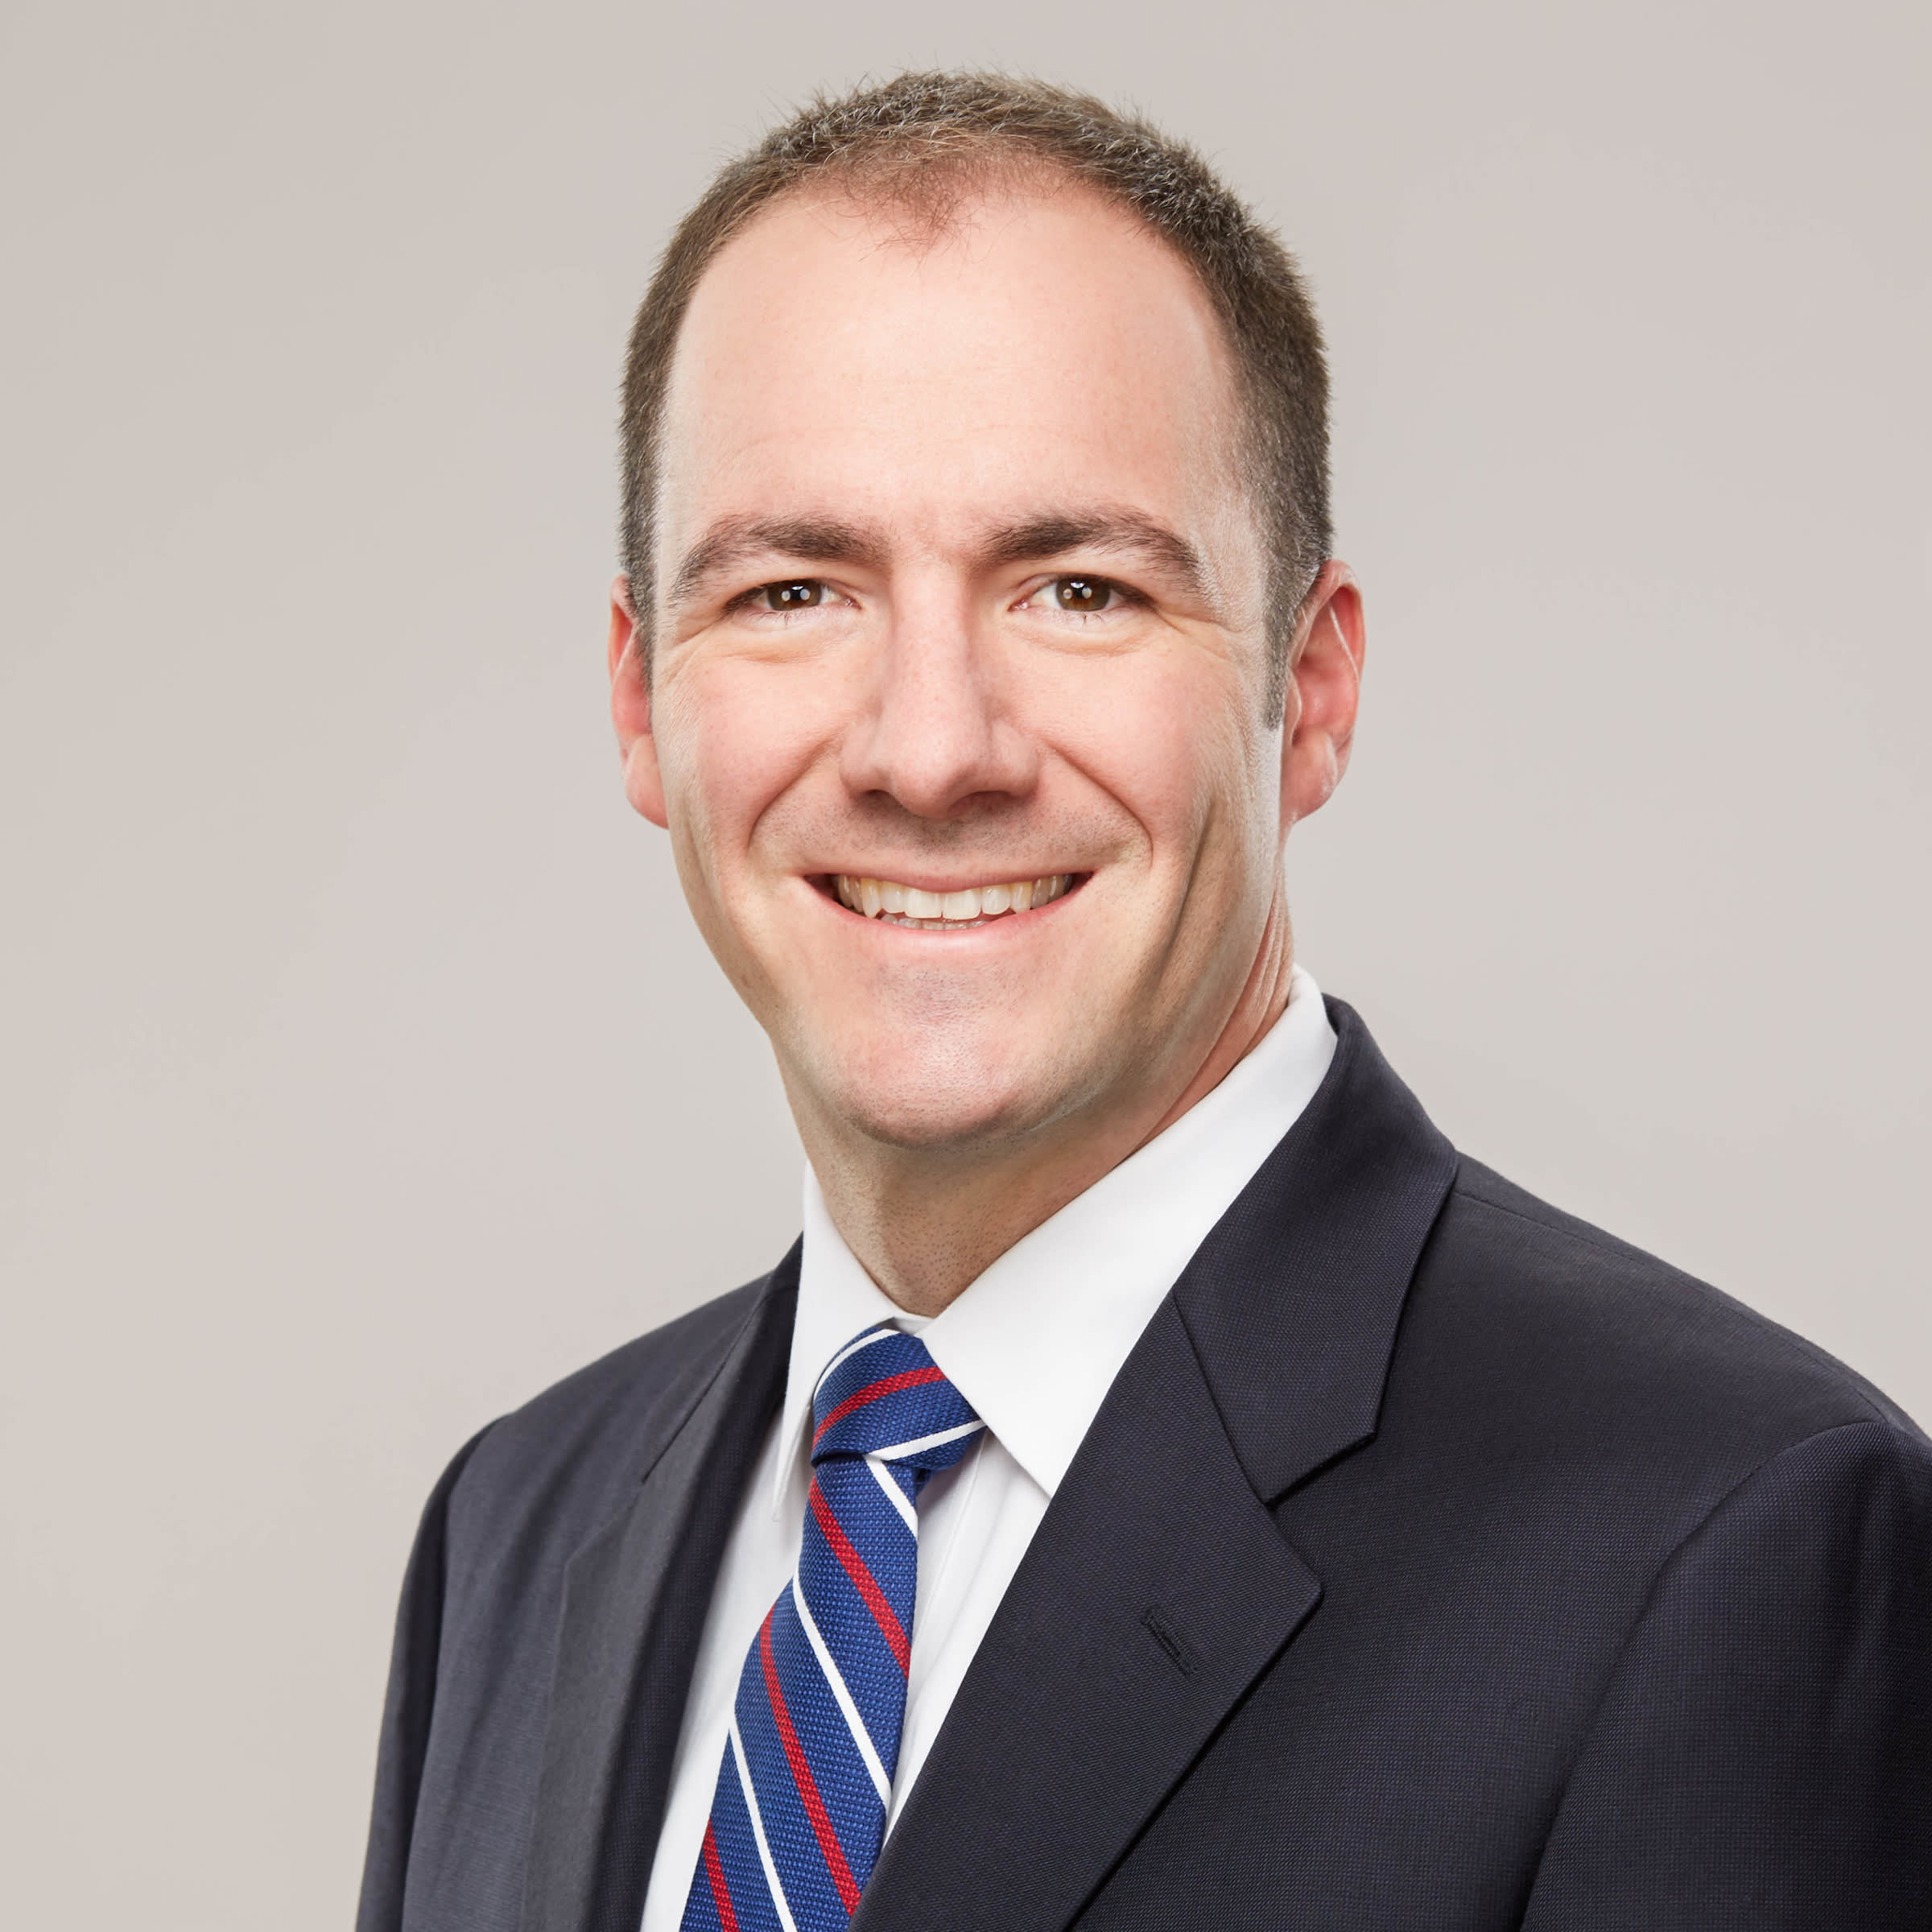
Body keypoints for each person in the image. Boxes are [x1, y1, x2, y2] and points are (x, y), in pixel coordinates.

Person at [355, 72, 1932, 1932]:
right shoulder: (520, 1535)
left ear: (1310, 688)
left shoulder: (1723, 1546)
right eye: (791, 592)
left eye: (1078, 590)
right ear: (642, 700)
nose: (930, 749)